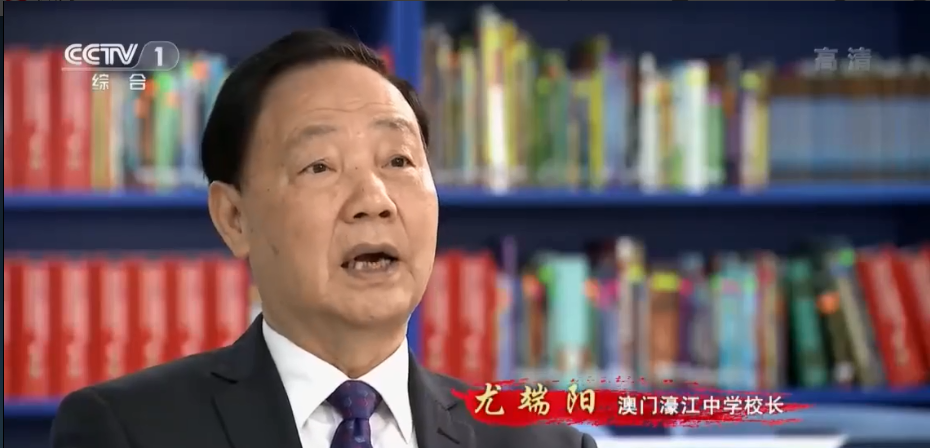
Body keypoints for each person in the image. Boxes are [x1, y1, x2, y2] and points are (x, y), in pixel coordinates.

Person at [51, 29, 597, 448]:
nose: (374, 199)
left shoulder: (544, 444)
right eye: (319, 166)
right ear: (234, 218)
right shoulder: (127, 431)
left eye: (399, 160)